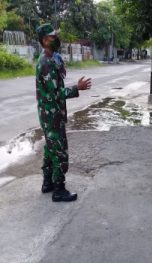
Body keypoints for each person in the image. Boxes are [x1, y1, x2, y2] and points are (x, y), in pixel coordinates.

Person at [36, 23, 92, 202]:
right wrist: (77, 88)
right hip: (51, 115)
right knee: (60, 151)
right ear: (45, 41)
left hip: (53, 114)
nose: (56, 39)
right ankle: (59, 190)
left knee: (50, 149)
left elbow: (59, 79)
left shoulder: (53, 58)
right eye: (53, 37)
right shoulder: (44, 63)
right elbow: (55, 93)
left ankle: (47, 183)